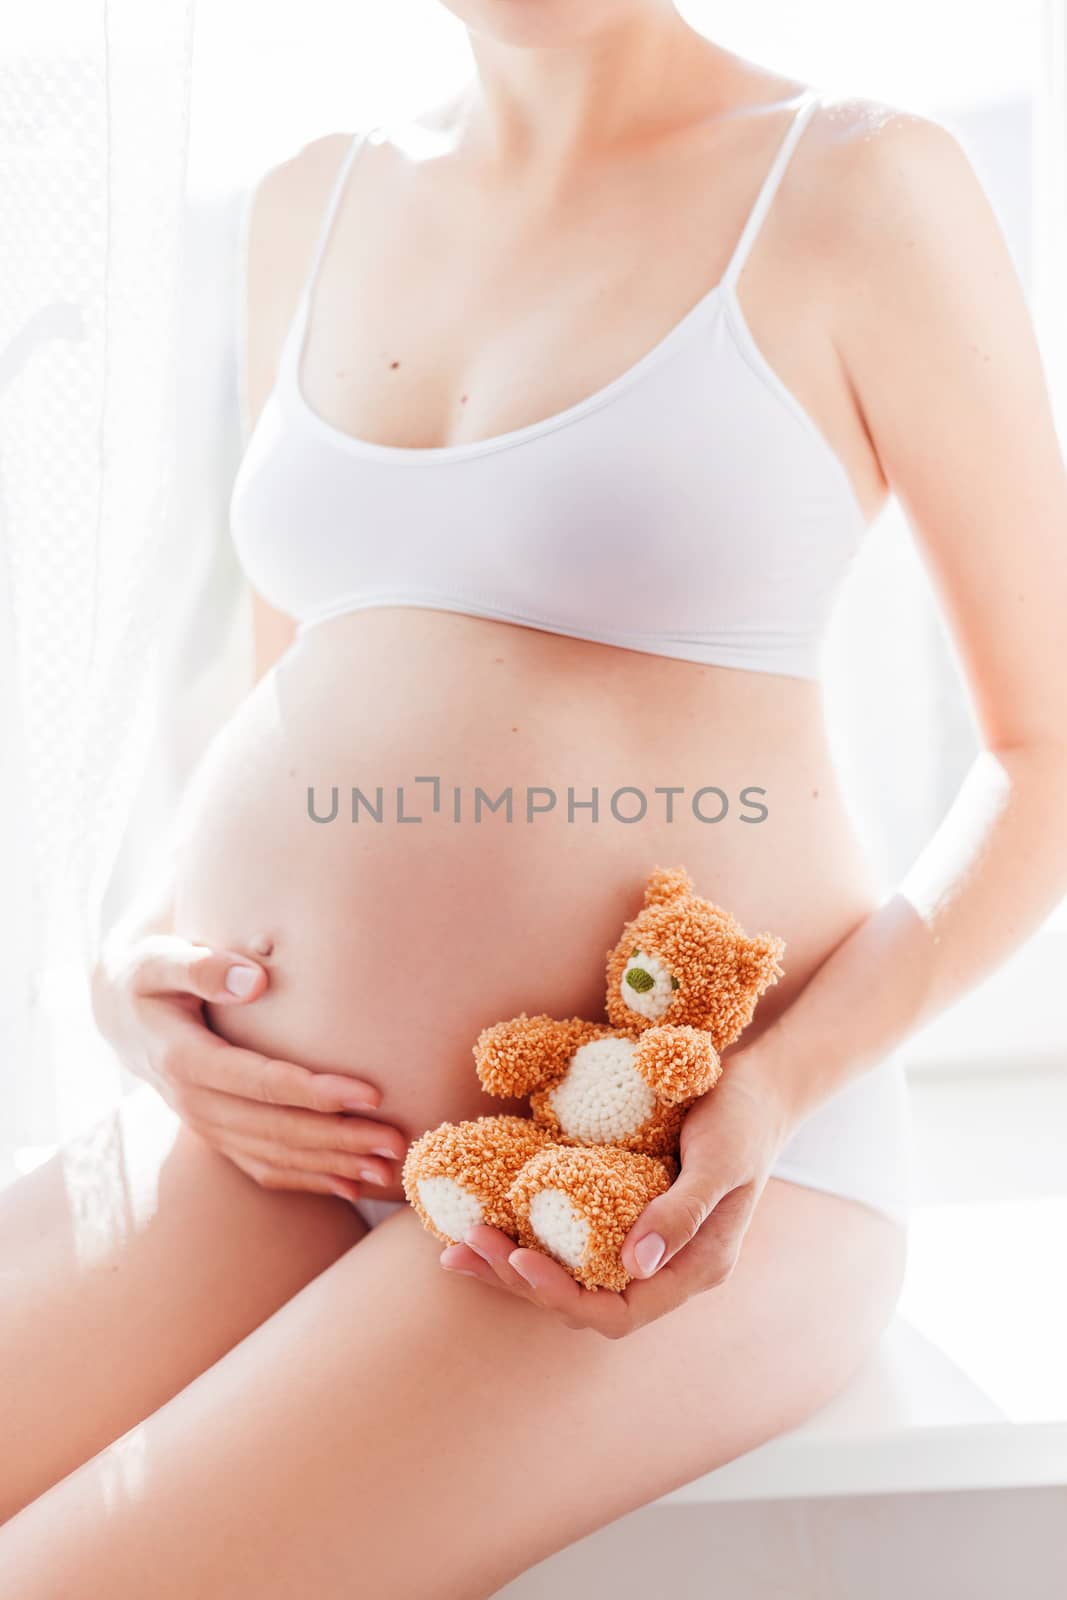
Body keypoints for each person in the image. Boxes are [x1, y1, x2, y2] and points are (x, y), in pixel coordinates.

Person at [3, 3, 1067, 1594]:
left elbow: (1042, 753)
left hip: (675, 1174)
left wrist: (771, 1092)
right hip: (292, 1142)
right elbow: (287, 690)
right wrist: (136, 979)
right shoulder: (315, 195)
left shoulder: (851, 182)